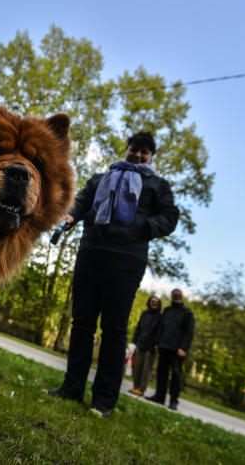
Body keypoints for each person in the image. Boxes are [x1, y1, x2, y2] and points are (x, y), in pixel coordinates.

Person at [47, 131, 179, 417]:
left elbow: (170, 217)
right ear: (127, 149)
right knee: (81, 323)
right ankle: (72, 388)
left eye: (145, 152)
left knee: (114, 329)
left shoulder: (157, 185)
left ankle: (104, 400)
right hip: (91, 251)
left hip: (127, 259)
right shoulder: (100, 178)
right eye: (135, 149)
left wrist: (143, 227)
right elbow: (80, 203)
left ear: (151, 156)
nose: (139, 155)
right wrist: (70, 216)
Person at [147, 288, 194, 410]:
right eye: (174, 295)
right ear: (172, 297)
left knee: (176, 375)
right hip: (164, 346)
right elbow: (161, 328)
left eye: (179, 295)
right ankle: (159, 397)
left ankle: (174, 401)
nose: (177, 296)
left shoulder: (187, 313)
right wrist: (157, 343)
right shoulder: (167, 311)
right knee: (161, 372)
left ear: (182, 297)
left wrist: (184, 348)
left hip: (177, 350)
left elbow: (189, 333)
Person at [129, 295, 162, 396]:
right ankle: (135, 386)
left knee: (146, 369)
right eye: (152, 301)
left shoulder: (160, 317)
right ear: (149, 302)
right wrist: (135, 341)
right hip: (140, 343)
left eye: (156, 302)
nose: (154, 303)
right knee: (137, 367)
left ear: (159, 304)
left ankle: (141, 389)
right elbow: (138, 327)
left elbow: (160, 332)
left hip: (151, 346)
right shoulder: (144, 314)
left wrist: (157, 344)